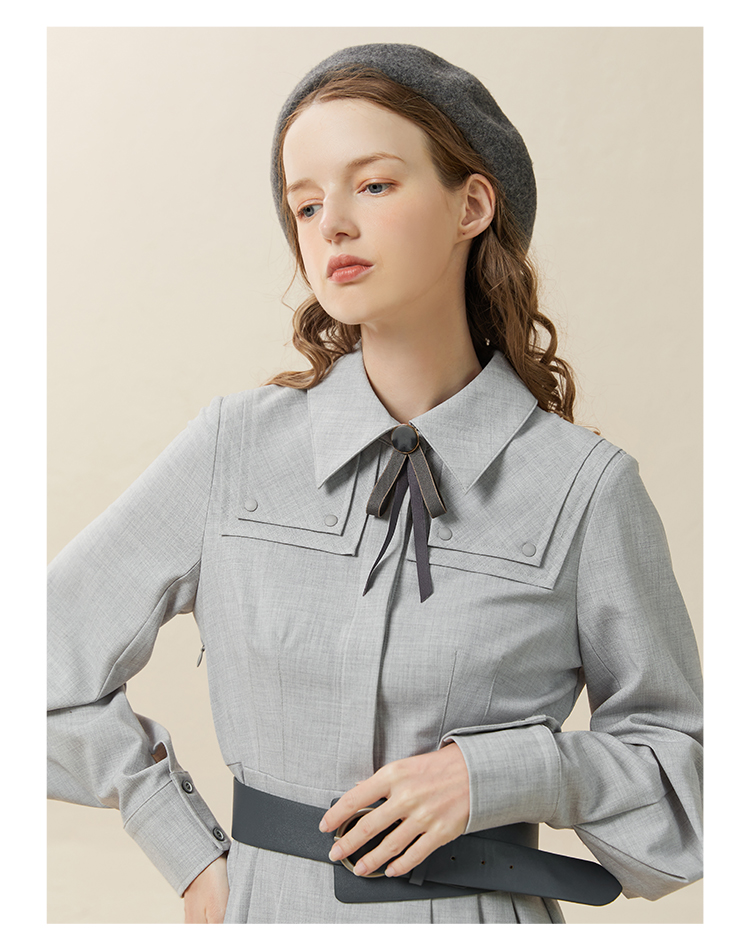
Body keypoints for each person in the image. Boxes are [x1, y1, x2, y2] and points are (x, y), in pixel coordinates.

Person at [47, 43, 703, 924]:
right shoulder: (234, 451)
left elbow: (687, 785)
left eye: (375, 185)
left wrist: (502, 773)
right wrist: (189, 852)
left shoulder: (585, 489)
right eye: (306, 204)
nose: (333, 226)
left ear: (472, 204)